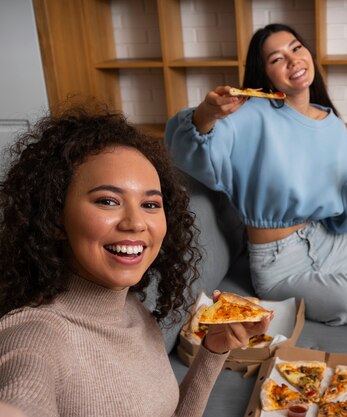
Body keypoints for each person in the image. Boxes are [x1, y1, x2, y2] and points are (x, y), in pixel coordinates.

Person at [0, 105, 272, 417]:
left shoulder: (133, 310)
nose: (136, 222)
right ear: (54, 218)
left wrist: (214, 349)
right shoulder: (32, 339)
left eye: (150, 204)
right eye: (107, 201)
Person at [164, 23, 347, 326]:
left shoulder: (333, 127)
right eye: (276, 59)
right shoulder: (248, 115)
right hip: (276, 262)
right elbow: (186, 151)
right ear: (264, 74)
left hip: (328, 240)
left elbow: (346, 220)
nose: (293, 61)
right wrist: (206, 114)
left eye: (296, 48)